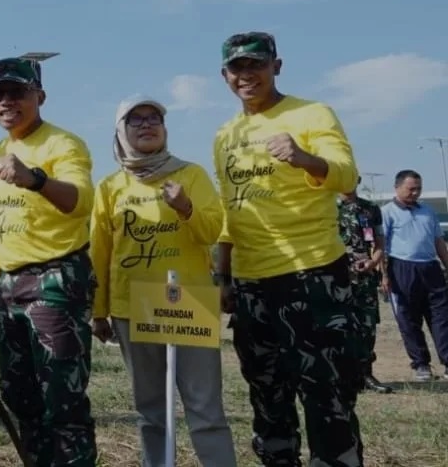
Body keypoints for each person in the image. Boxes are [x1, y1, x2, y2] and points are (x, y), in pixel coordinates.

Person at [212, 31, 363, 466]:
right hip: (250, 282)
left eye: (256, 64)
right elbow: (228, 208)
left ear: (276, 66)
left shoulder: (312, 114)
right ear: (225, 76)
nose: (247, 75)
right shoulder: (226, 135)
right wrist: (224, 275)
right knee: (266, 393)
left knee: (326, 392)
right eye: (237, 68)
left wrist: (304, 158)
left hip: (311, 273)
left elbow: (347, 176)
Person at [0, 56, 98, 466]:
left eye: (18, 92)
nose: (7, 101)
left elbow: (82, 202)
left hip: (56, 280)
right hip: (10, 285)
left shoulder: (62, 144)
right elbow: (1, 223)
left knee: (62, 399)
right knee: (22, 395)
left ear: (40, 96)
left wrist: (37, 178)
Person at [90, 95, 237, 467]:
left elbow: (211, 232)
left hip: (189, 302)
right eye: (135, 120)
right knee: (151, 410)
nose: (146, 125)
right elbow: (100, 253)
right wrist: (99, 310)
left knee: (205, 407)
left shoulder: (191, 175)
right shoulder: (110, 188)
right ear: (120, 132)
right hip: (132, 306)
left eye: (154, 118)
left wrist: (185, 207)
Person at [381, 169, 448, 382]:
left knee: (442, 317)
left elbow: (439, 242)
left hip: (431, 268)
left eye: (418, 188)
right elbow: (380, 246)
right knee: (409, 319)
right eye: (411, 189)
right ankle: (421, 364)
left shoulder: (428, 211)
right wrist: (383, 275)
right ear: (397, 187)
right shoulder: (387, 212)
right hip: (402, 268)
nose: (415, 192)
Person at [337, 176, 392, 393]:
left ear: (358, 180)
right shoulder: (327, 207)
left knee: (367, 327)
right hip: (338, 278)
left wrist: (374, 262)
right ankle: (344, 376)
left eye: (353, 177)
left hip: (365, 277)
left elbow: (379, 243)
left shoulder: (370, 209)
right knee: (340, 326)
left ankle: (365, 374)